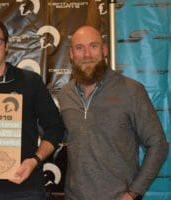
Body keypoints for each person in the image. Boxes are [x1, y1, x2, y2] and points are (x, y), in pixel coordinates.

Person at [0, 19, 65, 200]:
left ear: (6, 46)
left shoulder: (30, 82)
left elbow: (55, 128)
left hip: (26, 188)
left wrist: (35, 161)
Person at [57, 25, 168, 200]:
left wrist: (133, 193)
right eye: (79, 48)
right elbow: (59, 134)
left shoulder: (131, 90)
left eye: (93, 46)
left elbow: (158, 144)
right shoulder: (65, 94)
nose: (86, 55)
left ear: (105, 50)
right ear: (71, 54)